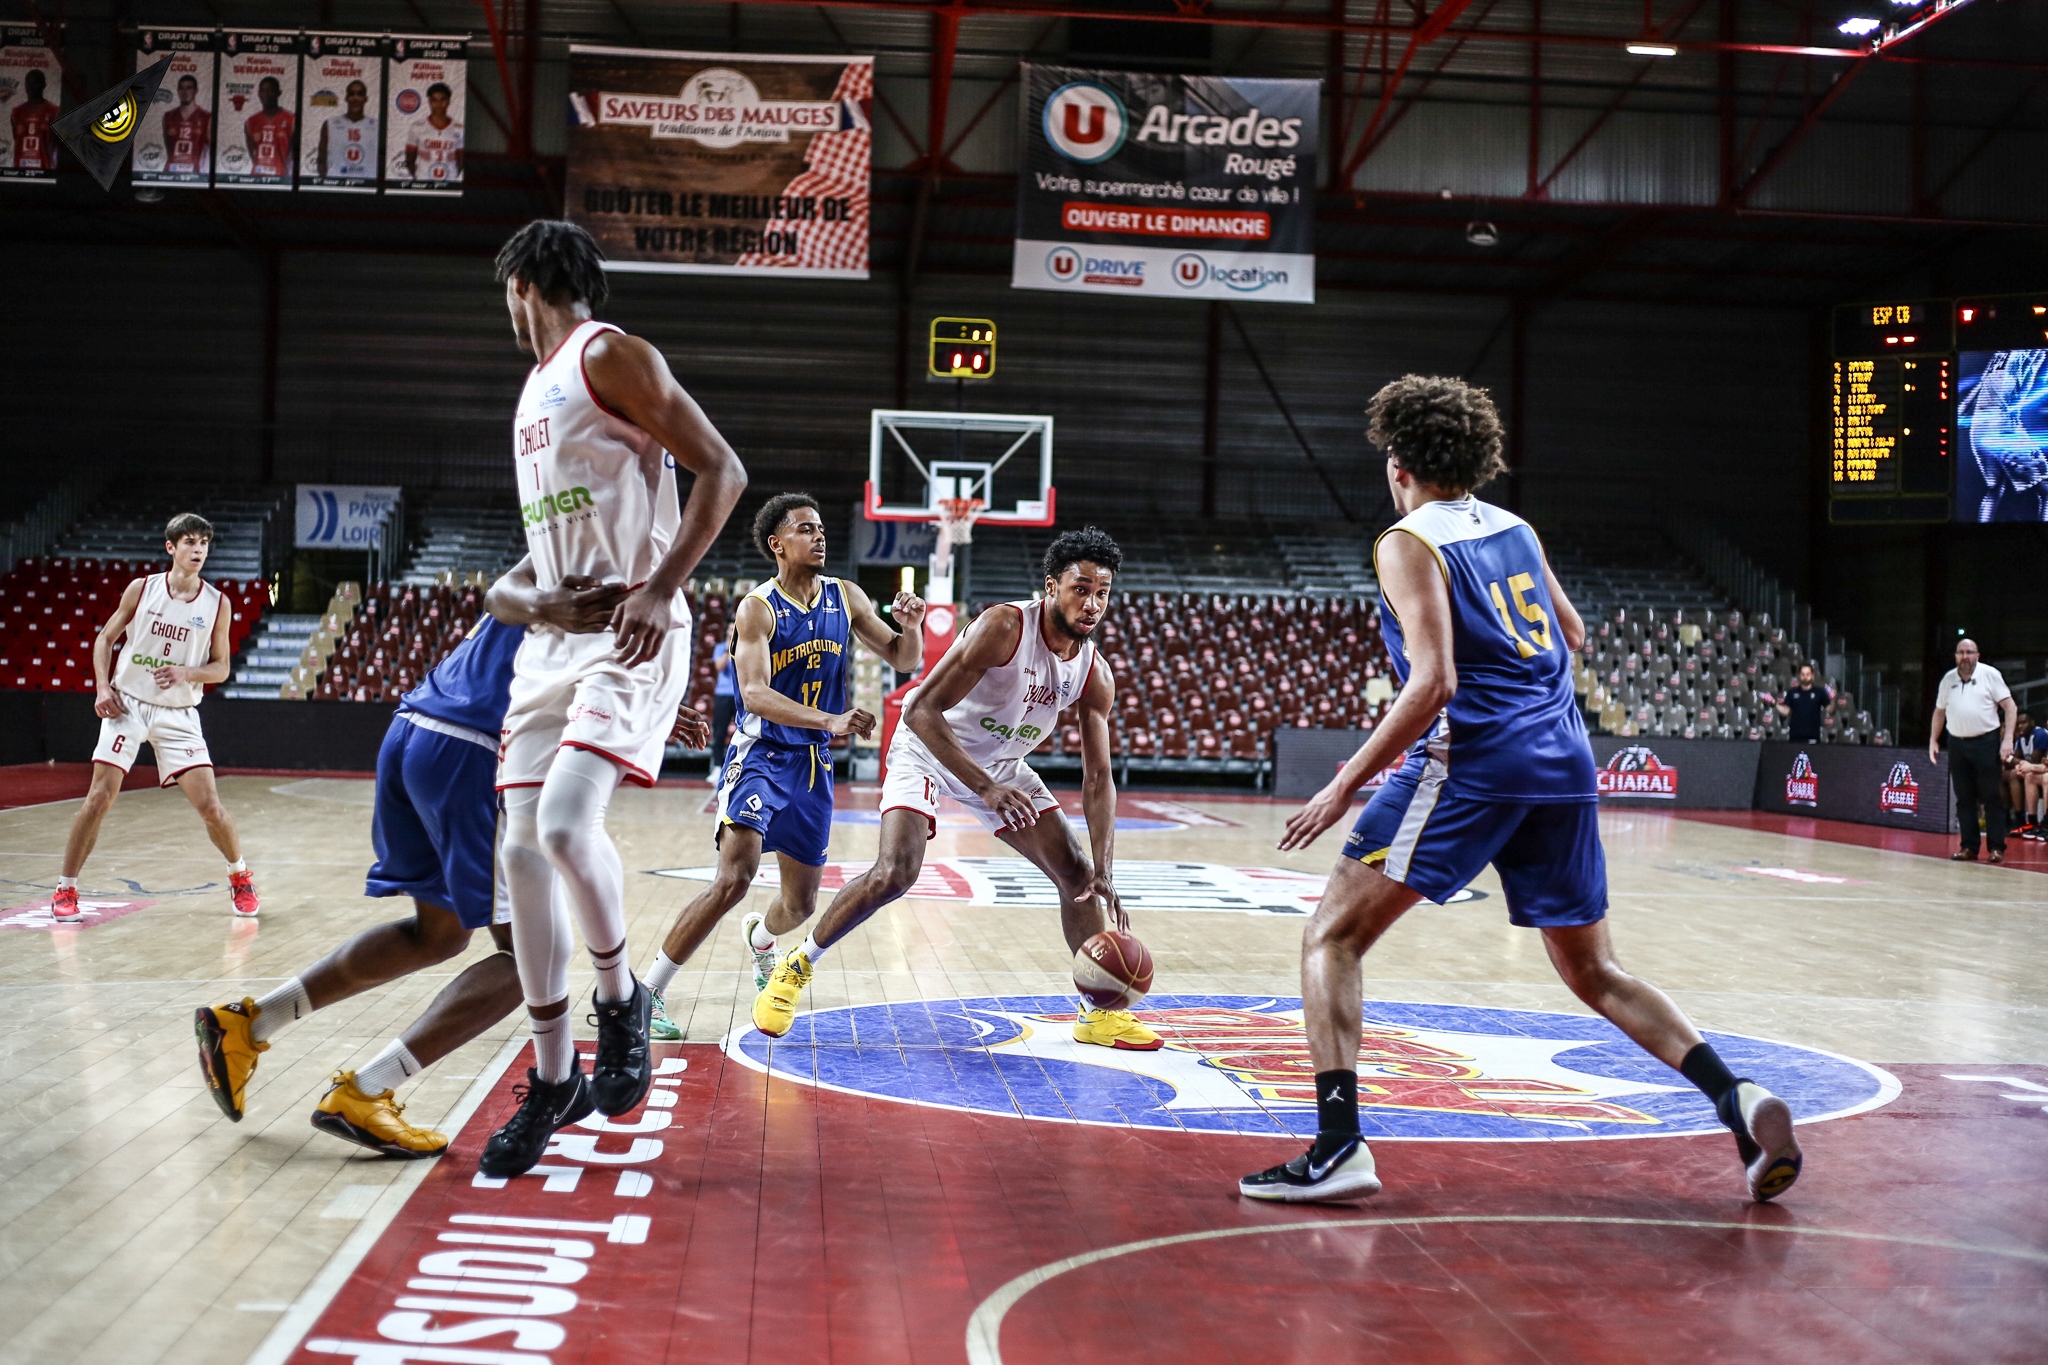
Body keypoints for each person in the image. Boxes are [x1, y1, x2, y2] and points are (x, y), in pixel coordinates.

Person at [1239, 375, 1802, 1206]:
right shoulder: (1515, 526)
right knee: (1596, 971)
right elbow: (1570, 633)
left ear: (1398, 462)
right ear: (1474, 456)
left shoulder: (1407, 541)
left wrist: (1344, 785)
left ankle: (1338, 1143)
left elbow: (1432, 682)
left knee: (1332, 939)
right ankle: (1737, 1096)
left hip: (1474, 761)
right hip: (1563, 760)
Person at [191, 579, 707, 1155]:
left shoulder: (562, 550)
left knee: (435, 934)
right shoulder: (626, 574)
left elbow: (526, 627)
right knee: (529, 957)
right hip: (477, 753)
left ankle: (247, 1026)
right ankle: (367, 1091)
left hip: (417, 728)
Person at [480, 219, 747, 1179]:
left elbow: (724, 468)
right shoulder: (533, 398)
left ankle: (620, 996)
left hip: (630, 635)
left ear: (523, 285)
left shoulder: (609, 355)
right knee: (519, 850)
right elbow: (519, 573)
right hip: (553, 644)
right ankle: (553, 1078)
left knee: (560, 825)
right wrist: (532, 600)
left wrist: (664, 584)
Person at [750, 527, 1158, 1051]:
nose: (1092, 603)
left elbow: (1098, 778)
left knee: (1077, 873)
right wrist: (984, 788)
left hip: (1002, 764)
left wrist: (1104, 865)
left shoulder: (1093, 671)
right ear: (1052, 585)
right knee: (897, 871)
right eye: (1080, 588)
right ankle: (796, 965)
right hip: (929, 746)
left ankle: (1097, 1013)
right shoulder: (1004, 627)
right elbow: (920, 711)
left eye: (1102, 592)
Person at [645, 494, 924, 1039]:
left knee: (799, 905)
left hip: (813, 768)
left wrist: (910, 626)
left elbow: (903, 658)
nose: (820, 537)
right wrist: (831, 719)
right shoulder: (758, 607)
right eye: (805, 529)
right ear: (777, 544)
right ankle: (645, 993)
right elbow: (753, 694)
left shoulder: (847, 596)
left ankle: (762, 943)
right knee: (735, 879)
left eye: (821, 528)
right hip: (762, 758)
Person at [56, 514, 256, 923]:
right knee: (97, 801)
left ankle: (240, 876)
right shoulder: (142, 589)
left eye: (203, 543)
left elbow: (220, 668)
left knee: (212, 809)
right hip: (127, 704)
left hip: (178, 712)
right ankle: (66, 888)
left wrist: (187, 673)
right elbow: (105, 639)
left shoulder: (217, 602)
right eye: (189, 542)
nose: (198, 549)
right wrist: (102, 688)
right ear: (171, 547)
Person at [1930, 638, 2016, 863]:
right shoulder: (1948, 680)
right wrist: (1933, 740)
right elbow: (1940, 711)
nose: (1965, 656)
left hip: (1986, 742)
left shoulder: (1990, 675)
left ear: (1977, 655)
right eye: (1961, 652)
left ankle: (1996, 847)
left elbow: (2010, 707)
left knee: (1991, 796)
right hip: (1957, 743)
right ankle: (1969, 847)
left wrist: (2007, 739)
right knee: (1964, 798)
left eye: (1969, 652)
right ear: (1955, 655)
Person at [401, 81, 462, 183]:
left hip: (449, 182)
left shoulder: (459, 128)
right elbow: (410, 158)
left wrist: (454, 176)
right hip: (424, 180)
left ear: (448, 101)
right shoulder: (417, 127)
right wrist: (417, 177)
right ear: (429, 102)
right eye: (434, 100)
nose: (438, 104)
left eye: (442, 100)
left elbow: (461, 160)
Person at [317, 79, 377, 181]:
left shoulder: (377, 126)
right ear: (346, 98)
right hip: (338, 186)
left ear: (365, 99)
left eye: (360, 94)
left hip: (367, 187)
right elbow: (321, 159)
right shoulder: (330, 124)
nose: (355, 98)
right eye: (351, 94)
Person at [1762, 663, 1831, 744]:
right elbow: (1785, 712)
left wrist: (1833, 699)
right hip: (1795, 737)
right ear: (1799, 675)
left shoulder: (1819, 692)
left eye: (1808, 674)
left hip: (1813, 737)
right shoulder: (1792, 692)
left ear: (1812, 675)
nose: (1805, 677)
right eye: (1803, 674)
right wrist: (1773, 702)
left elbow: (1830, 710)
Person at [243, 75, 294, 180]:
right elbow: (253, 153)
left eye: (270, 90)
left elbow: (293, 152)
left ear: (278, 93)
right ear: (258, 94)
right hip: (257, 177)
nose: (265, 94)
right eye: (262, 91)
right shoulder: (251, 122)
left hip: (282, 178)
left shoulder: (291, 119)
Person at [163, 71, 211, 176]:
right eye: (181, 88)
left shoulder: (206, 117)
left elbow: (210, 150)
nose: (185, 92)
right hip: (171, 172)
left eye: (189, 88)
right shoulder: (169, 116)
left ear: (196, 91)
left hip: (195, 174)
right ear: (177, 91)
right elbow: (168, 148)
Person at [10, 67, 59, 171]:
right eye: (28, 83)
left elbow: (56, 144)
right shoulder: (16, 112)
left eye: (35, 83)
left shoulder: (54, 111)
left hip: (45, 170)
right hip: (20, 170)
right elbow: (17, 140)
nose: (30, 87)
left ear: (43, 85)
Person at [2004, 712, 2040, 835]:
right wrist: (2020, 763)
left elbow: (2035, 761)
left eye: (2023, 723)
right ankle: (2008, 818)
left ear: (2032, 723)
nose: (2020, 726)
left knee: (2015, 774)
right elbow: (2010, 759)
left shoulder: (2040, 734)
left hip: (2039, 771)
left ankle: (2023, 819)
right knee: (2004, 775)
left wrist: (2018, 763)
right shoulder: (2021, 738)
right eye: (2018, 723)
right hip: (2029, 770)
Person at [708, 619, 737, 761]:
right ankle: (717, 766)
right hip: (723, 694)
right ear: (727, 632)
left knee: (743, 732)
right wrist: (728, 649)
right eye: (730, 629)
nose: (732, 632)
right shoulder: (720, 648)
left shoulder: (744, 647)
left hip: (740, 695)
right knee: (719, 732)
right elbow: (719, 666)